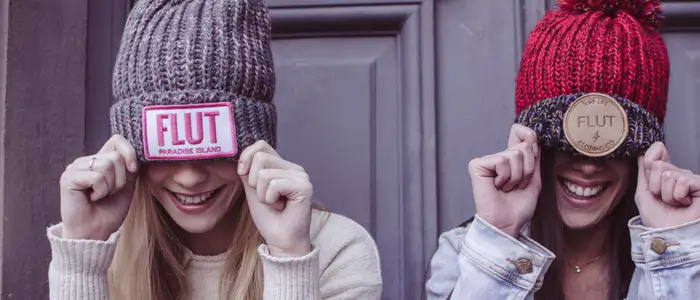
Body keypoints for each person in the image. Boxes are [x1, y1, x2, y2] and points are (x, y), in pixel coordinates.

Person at [47, 0, 382, 299]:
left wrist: (289, 256)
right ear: (131, 153)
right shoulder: (107, 250)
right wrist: (83, 260)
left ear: (253, 144)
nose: (190, 177)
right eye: (167, 148)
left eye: (213, 145)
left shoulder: (337, 250)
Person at [425, 0, 700, 299]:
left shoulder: (686, 255)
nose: (589, 165)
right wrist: (500, 238)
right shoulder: (467, 255)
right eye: (564, 141)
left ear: (641, 154)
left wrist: (675, 256)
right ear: (533, 144)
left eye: (615, 146)